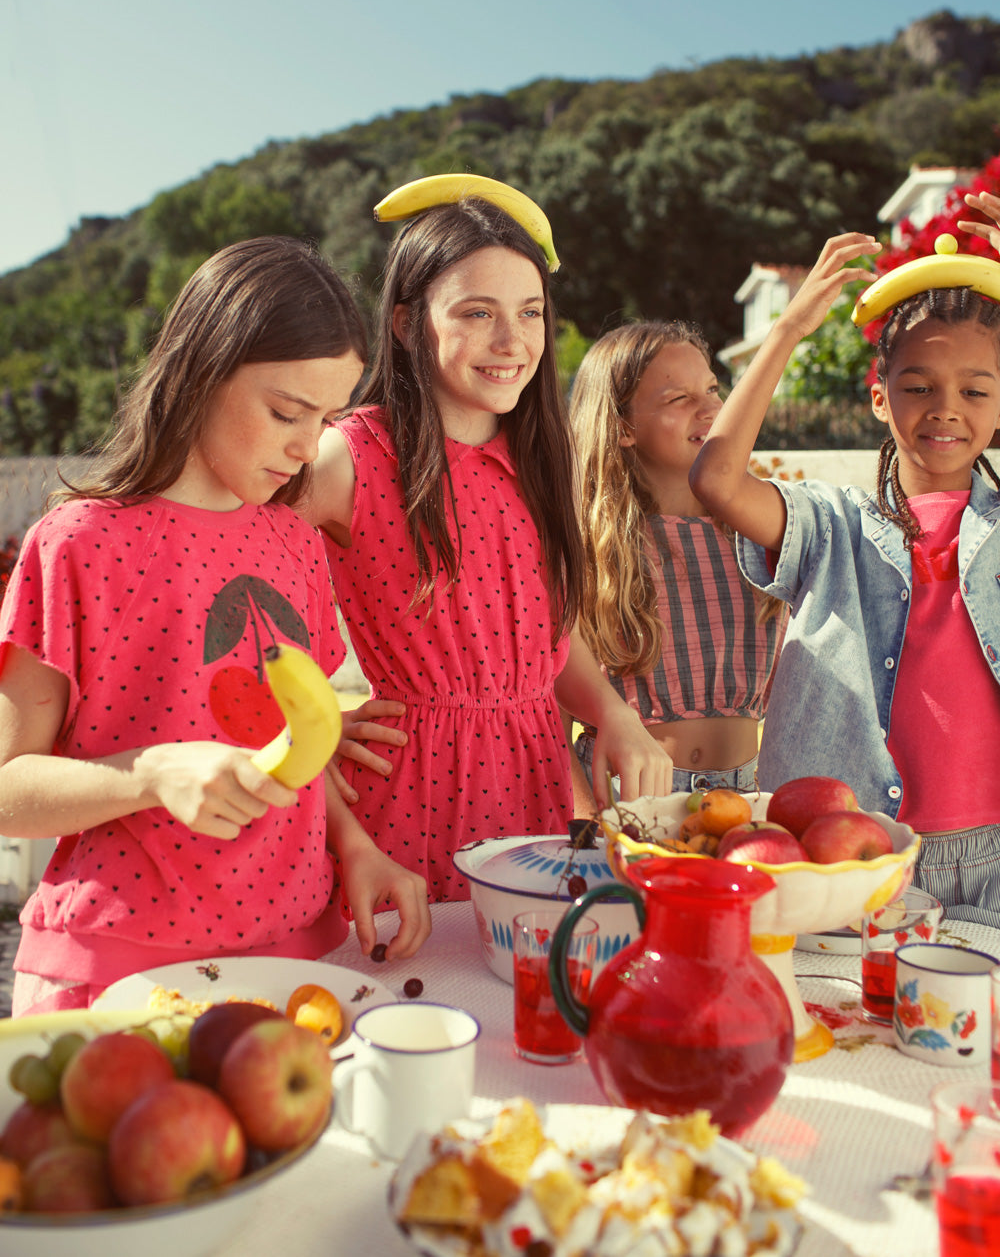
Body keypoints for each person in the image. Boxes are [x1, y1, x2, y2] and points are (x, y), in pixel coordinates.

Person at [0, 236, 431, 1016]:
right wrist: (152, 774)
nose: (309, 445)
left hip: (298, 950)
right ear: (200, 370)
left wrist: (356, 846)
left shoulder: (296, 542)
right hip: (120, 966)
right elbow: (6, 789)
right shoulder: (77, 542)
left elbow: (286, 753)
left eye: (327, 417)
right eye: (285, 412)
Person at [302, 191, 673, 902]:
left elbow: (544, 642)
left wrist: (613, 714)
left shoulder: (538, 460)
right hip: (406, 804)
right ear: (408, 325)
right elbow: (232, 571)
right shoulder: (351, 455)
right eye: (478, 313)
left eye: (529, 313)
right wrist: (311, 720)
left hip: (537, 794)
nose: (512, 342)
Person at [689, 197, 1000, 924]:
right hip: (849, 855)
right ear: (878, 399)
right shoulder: (833, 526)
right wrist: (790, 329)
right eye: (916, 386)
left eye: (976, 390)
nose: (945, 407)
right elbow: (716, 481)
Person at [569, 321, 786, 796]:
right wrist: (584, 821)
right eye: (679, 399)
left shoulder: (760, 533)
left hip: (744, 798)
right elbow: (546, 716)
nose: (712, 407)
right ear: (623, 427)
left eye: (712, 388)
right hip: (624, 798)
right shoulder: (590, 548)